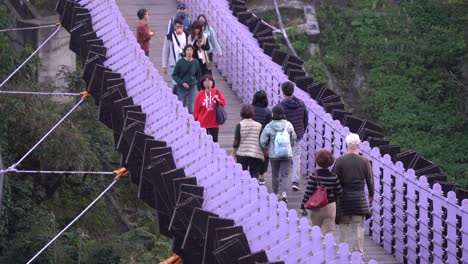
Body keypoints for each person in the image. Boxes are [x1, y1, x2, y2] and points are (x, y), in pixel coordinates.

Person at [333, 133, 374, 255]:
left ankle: (343, 253)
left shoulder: (340, 161)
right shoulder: (364, 161)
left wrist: (334, 198)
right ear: (359, 145)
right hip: (359, 199)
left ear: (346, 145)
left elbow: (335, 180)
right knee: (358, 228)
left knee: (344, 228)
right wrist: (371, 194)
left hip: (343, 199)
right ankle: (358, 254)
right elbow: (370, 180)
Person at [260, 105, 296, 203]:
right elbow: (294, 137)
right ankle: (284, 194)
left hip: (274, 154)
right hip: (286, 154)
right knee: (285, 175)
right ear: (283, 114)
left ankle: (275, 194)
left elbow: (262, 140)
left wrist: (265, 149)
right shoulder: (288, 125)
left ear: (273, 114)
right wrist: (290, 146)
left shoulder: (269, 125)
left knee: (275, 174)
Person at [300, 150, 342, 235]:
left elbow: (308, 193)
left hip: (316, 206)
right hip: (330, 206)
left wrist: (303, 205)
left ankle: (317, 247)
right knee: (328, 232)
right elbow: (339, 192)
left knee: (316, 230)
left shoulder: (313, 176)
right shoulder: (334, 177)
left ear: (318, 161)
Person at [280, 81, 308, 192]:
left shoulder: (281, 106)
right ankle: (295, 182)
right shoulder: (301, 104)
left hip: (285, 136)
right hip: (297, 135)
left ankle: (283, 179)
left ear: (283, 92)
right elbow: (305, 120)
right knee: (296, 157)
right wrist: (302, 131)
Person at [231, 105, 264, 179]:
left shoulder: (239, 125)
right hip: (255, 153)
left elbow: (236, 141)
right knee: (255, 173)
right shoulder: (259, 126)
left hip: (242, 153)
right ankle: (254, 188)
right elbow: (262, 141)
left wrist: (233, 154)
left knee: (242, 175)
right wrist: (264, 152)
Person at [193, 74, 226, 142]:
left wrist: (218, 100)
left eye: (209, 81)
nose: (208, 83)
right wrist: (195, 121)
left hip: (214, 122)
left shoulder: (217, 92)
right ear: (203, 83)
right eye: (205, 81)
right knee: (203, 141)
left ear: (212, 82)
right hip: (202, 122)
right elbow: (196, 109)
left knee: (214, 141)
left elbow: (223, 103)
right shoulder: (200, 94)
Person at [172, 44, 201, 114]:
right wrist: (182, 83)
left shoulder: (196, 62)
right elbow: (174, 75)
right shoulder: (180, 62)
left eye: (191, 50)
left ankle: (192, 122)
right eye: (187, 50)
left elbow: (199, 75)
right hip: (182, 87)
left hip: (192, 86)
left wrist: (199, 88)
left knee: (192, 107)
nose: (189, 52)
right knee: (181, 106)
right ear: (185, 52)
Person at [251, 90, 272, 185]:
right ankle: (262, 174)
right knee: (264, 156)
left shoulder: (250, 109)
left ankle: (253, 174)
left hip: (252, 135)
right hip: (264, 138)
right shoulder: (268, 112)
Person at [162, 18, 188, 84]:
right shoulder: (170, 37)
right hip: (173, 65)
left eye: (181, 27)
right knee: (175, 85)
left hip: (185, 65)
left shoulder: (187, 35)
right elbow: (166, 51)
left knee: (184, 84)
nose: (179, 28)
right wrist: (164, 66)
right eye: (177, 27)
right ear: (174, 27)